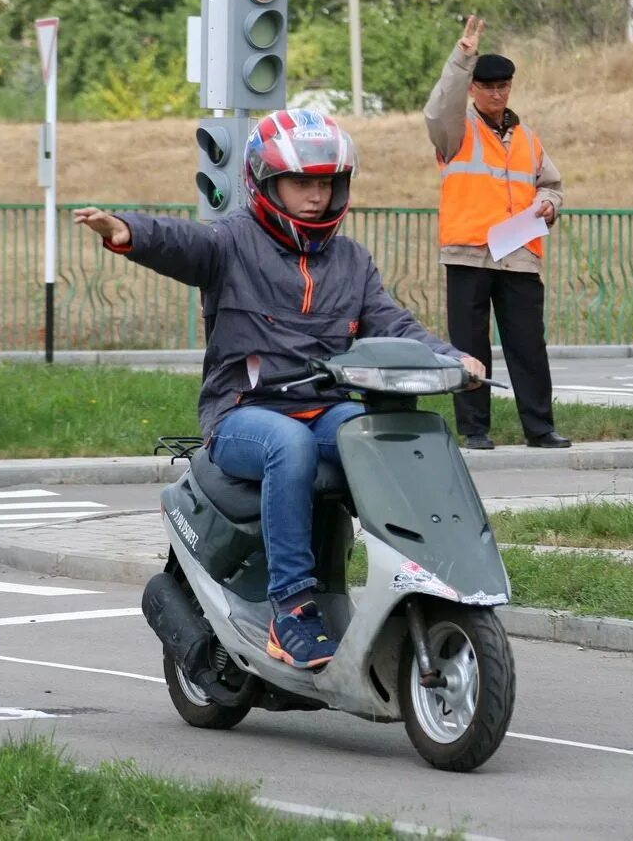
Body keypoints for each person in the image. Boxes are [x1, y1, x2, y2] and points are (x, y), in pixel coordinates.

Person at [73, 109, 484, 671]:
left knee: (389, 438)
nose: (316, 196)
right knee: (285, 444)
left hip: (325, 411)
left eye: (326, 183)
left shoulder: (353, 261)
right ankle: (291, 609)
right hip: (244, 414)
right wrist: (127, 232)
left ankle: (421, 577)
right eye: (302, 183)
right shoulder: (233, 243)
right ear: (266, 184)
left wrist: (450, 356)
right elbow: (186, 244)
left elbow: (394, 323)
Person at [424, 15, 570, 452]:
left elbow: (552, 185)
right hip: (468, 253)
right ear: (473, 88)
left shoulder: (527, 136)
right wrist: (462, 57)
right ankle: (474, 430)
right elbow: (437, 107)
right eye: (487, 85)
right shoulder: (455, 128)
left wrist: (550, 205)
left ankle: (540, 429)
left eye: (503, 85)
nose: (496, 92)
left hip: (519, 254)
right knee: (470, 348)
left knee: (529, 346)